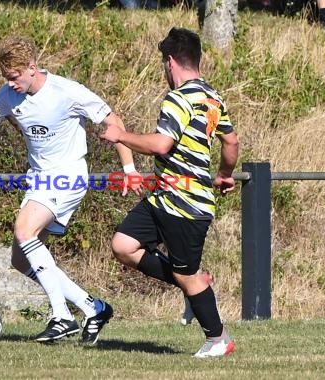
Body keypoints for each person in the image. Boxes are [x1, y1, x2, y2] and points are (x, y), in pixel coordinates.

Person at [0, 35, 143, 345]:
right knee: (21, 260)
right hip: (39, 180)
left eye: (14, 77)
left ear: (32, 68)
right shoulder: (10, 95)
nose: (11, 84)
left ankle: (62, 317)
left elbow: (111, 120)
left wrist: (129, 170)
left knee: (24, 229)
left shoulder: (67, 91)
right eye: (6, 79)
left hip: (68, 176)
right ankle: (93, 307)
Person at [100, 27, 239, 358]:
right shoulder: (213, 98)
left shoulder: (177, 98)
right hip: (162, 197)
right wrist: (224, 174)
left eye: (164, 63)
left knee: (186, 274)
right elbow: (231, 142)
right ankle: (193, 282)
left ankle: (218, 338)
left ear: (171, 61)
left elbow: (162, 144)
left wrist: (120, 135)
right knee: (123, 245)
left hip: (186, 206)